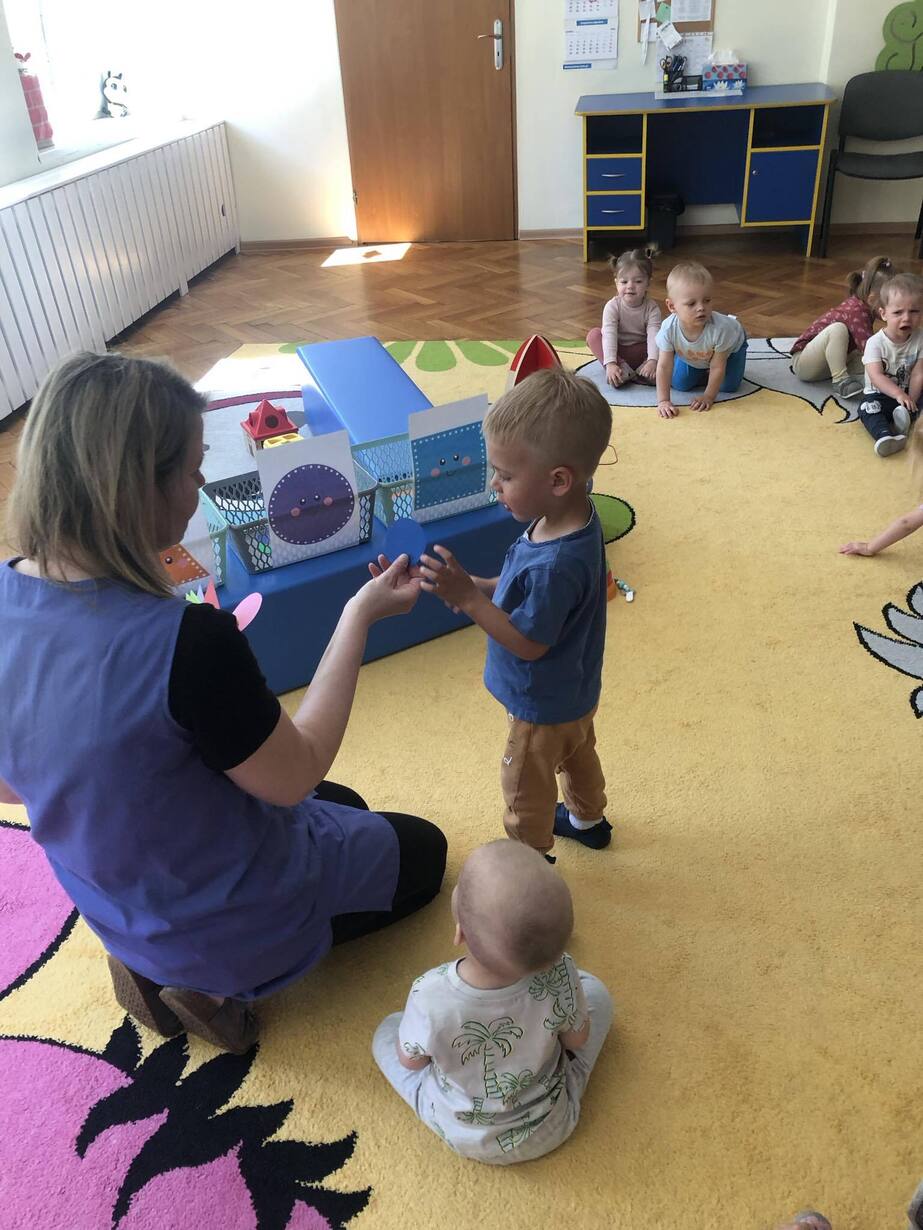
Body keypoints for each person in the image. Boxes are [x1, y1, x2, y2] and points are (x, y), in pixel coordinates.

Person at [0, 352, 447, 1053]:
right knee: (425, 851)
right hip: (225, 922)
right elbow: (296, 772)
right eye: (190, 469)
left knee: (347, 805)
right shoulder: (189, 642)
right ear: (134, 489)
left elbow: (12, 786)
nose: (201, 484)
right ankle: (209, 989)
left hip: (112, 901)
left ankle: (142, 961)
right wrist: (357, 616)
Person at [418, 368, 612, 858]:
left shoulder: (555, 564)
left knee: (525, 781)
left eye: (505, 475)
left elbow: (529, 642)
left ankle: (529, 860)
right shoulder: (572, 521)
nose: (494, 485)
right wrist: (478, 588)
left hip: (539, 705)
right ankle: (588, 819)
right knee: (578, 753)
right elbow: (527, 596)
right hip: (575, 691)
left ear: (558, 480)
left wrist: (471, 601)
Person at [371, 840, 613, 1164]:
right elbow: (576, 1040)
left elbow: (411, 1063)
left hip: (460, 1131)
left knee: (387, 1030)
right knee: (596, 992)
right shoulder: (561, 971)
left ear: (460, 933)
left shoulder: (428, 993)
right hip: (551, 1124)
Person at [790, 255, 894, 400]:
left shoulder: (864, 307)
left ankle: (880, 380)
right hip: (804, 364)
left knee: (877, 362)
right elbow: (869, 347)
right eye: (891, 303)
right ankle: (840, 380)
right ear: (872, 298)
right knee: (838, 330)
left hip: (827, 364)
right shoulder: (856, 311)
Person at [655, 261, 748, 418]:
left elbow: (717, 367)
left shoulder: (721, 330)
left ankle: (706, 371)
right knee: (679, 384)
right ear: (672, 306)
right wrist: (663, 401)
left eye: (707, 300)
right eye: (691, 303)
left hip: (732, 348)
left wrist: (708, 396)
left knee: (728, 386)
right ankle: (702, 369)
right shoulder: (668, 329)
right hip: (696, 353)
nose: (701, 308)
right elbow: (664, 366)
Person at [857, 271, 923, 457]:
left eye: (914, 311)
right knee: (867, 409)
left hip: (909, 393)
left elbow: (918, 373)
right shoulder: (875, 343)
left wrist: (911, 401)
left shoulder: (920, 338)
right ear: (883, 314)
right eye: (898, 312)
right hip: (881, 394)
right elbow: (876, 376)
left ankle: (910, 419)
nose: (906, 318)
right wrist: (898, 394)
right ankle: (885, 436)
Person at [586, 248, 662, 388]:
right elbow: (609, 334)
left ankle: (645, 371)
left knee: (667, 337)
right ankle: (620, 371)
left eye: (638, 281)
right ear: (616, 283)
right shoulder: (612, 306)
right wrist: (611, 363)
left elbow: (654, 336)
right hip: (618, 353)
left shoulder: (652, 308)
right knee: (593, 336)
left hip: (643, 352)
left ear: (648, 283)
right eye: (624, 282)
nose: (630, 286)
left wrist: (653, 360)